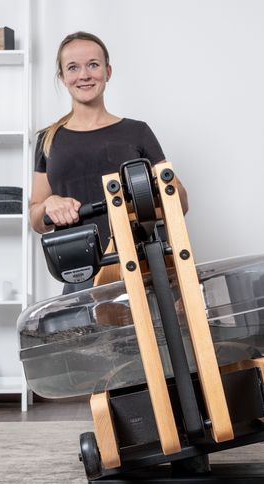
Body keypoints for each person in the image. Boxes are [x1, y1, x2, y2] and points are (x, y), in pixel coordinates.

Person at [30, 31, 188, 292]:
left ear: (108, 71)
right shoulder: (49, 139)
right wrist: (49, 204)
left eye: (93, 64)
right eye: (73, 67)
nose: (84, 75)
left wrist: (156, 187)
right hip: (79, 275)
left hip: (144, 269)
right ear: (62, 77)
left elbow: (179, 204)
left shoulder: (137, 132)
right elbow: (36, 219)